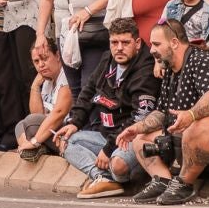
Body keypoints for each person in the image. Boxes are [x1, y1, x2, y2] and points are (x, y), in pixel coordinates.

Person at [123, 22, 209, 205]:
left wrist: (191, 115)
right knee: (140, 138)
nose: (151, 51)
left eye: (156, 44)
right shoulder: (170, 70)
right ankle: (163, 181)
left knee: (199, 125)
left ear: (174, 42)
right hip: (190, 147)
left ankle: (184, 183)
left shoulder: (202, 60)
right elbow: (161, 111)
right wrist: (138, 127)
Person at [55, 17, 157, 198]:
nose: (119, 48)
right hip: (106, 135)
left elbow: (139, 118)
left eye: (125, 43)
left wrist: (108, 149)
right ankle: (103, 178)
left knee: (118, 166)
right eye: (114, 42)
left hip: (131, 138)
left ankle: (117, 176)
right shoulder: (108, 58)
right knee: (67, 140)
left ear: (137, 43)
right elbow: (88, 91)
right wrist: (75, 122)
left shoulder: (145, 69)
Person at [13, 35, 75, 161]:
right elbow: (38, 114)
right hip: (51, 133)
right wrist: (35, 85)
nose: (41, 65)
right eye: (36, 61)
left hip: (69, 135)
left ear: (58, 56)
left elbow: (59, 113)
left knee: (29, 122)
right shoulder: (47, 80)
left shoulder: (67, 76)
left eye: (45, 58)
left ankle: (31, 147)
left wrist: (34, 141)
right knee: (20, 125)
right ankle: (31, 149)